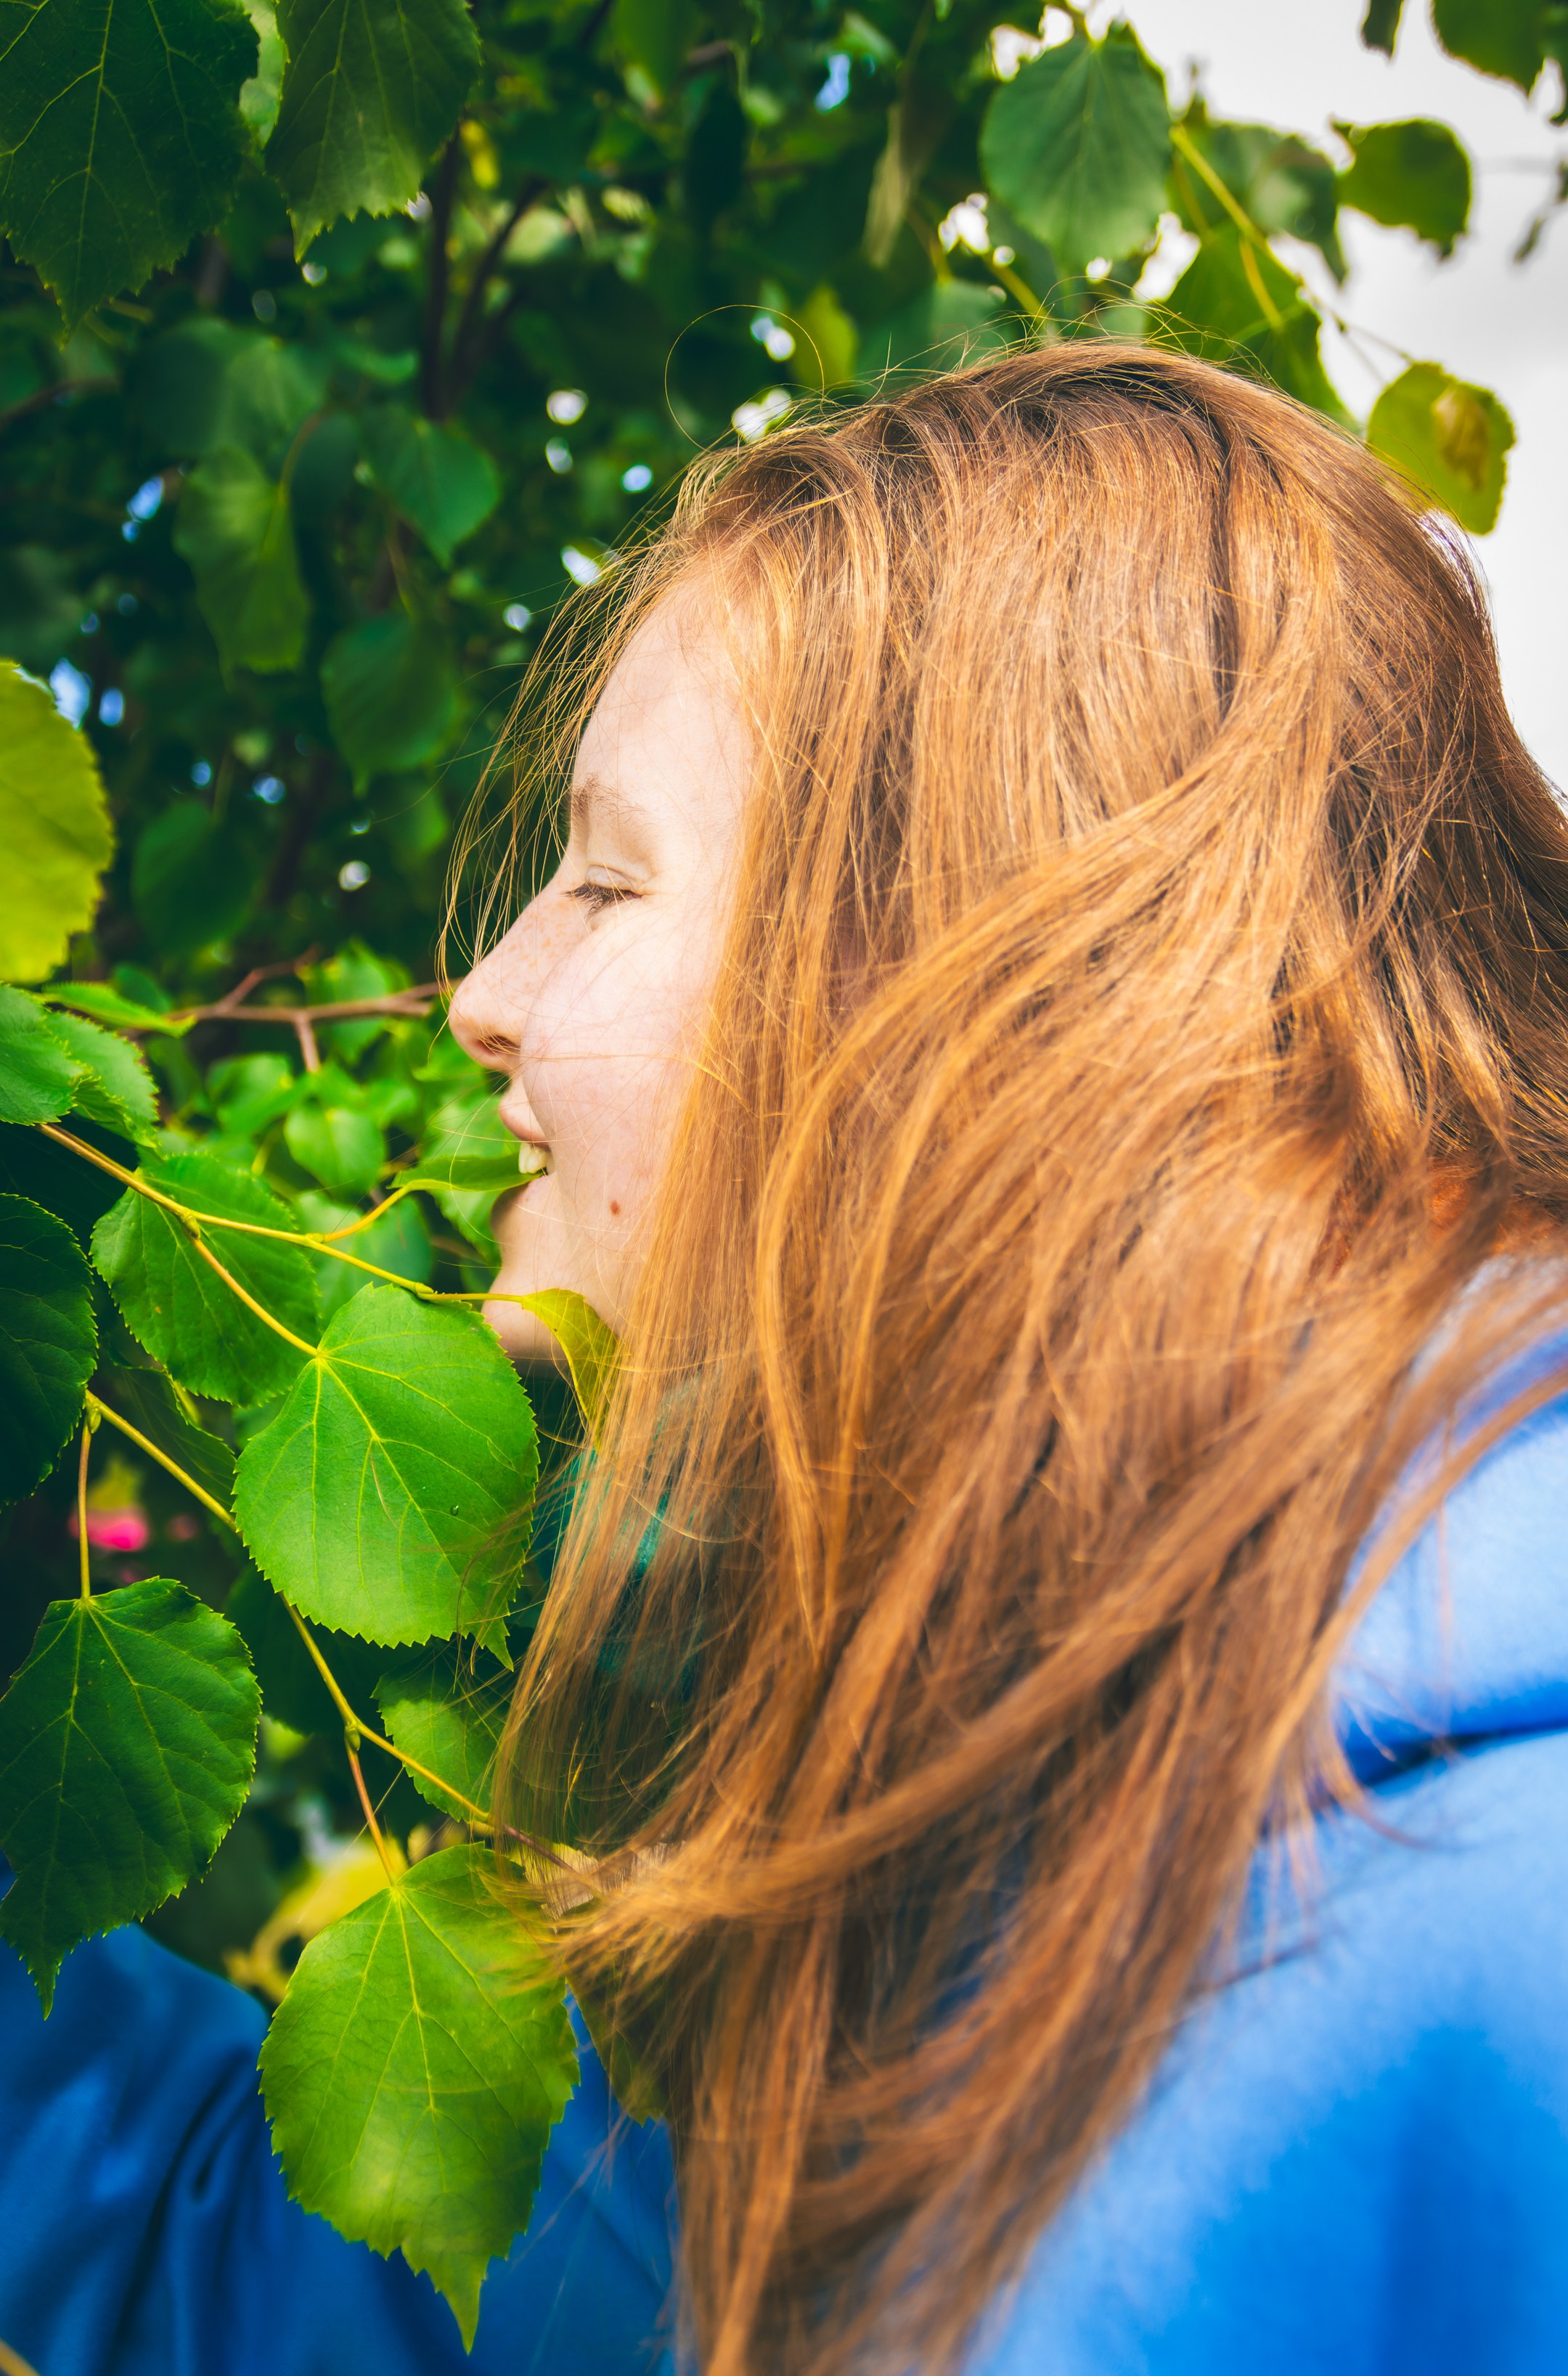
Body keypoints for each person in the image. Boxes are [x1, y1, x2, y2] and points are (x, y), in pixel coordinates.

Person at [5, 343, 1568, 2376]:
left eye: (608, 875)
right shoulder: (912, 1846)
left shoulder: (1502, 1953)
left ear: (961, 998)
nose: (481, 994)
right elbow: (293, 2263)